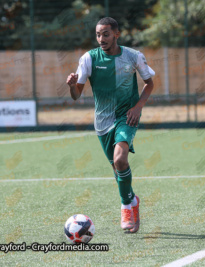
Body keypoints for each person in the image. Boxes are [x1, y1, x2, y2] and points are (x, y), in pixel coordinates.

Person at [66, 17, 155, 233]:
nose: (101, 38)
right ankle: (133, 200)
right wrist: (71, 86)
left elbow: (149, 83)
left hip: (127, 116)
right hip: (103, 121)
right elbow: (76, 96)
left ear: (117, 34)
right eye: (98, 34)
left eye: (106, 34)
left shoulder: (133, 56)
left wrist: (137, 107)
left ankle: (125, 206)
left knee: (120, 159)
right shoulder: (88, 58)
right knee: (117, 170)